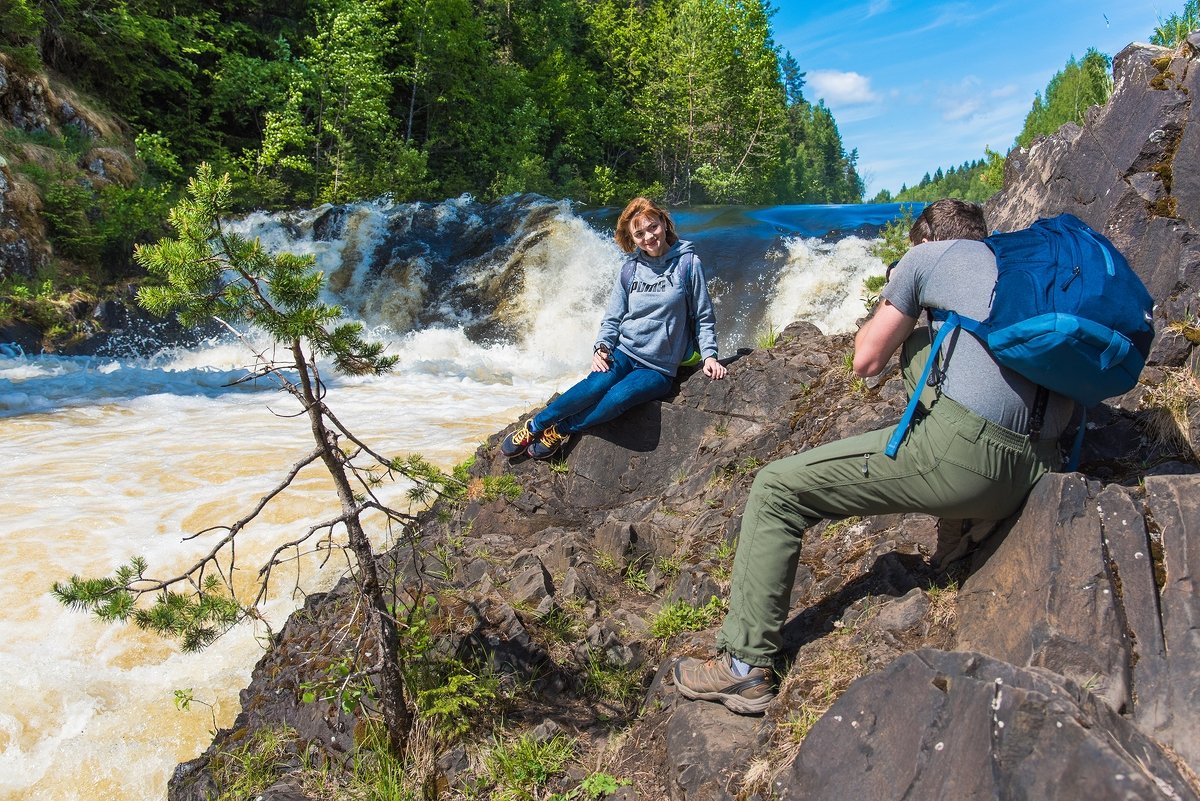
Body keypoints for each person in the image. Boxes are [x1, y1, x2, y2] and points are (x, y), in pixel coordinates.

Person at [672, 198, 1074, 714]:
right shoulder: (1022, 273)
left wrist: (903, 292)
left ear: (926, 239)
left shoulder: (928, 259)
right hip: (1044, 467)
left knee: (775, 489)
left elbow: (866, 360)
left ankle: (744, 669)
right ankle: (963, 542)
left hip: (966, 464)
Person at [500, 197, 728, 461]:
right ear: (632, 239)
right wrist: (602, 346)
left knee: (618, 398)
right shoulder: (630, 269)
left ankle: (561, 429)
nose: (648, 237)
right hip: (624, 352)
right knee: (593, 387)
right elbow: (613, 317)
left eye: (652, 227)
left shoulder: (688, 265)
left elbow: (703, 314)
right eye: (639, 234)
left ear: (664, 224)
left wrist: (710, 354)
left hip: (659, 367)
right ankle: (535, 426)